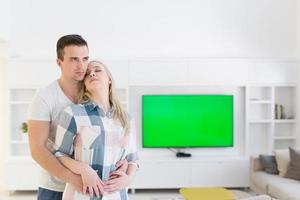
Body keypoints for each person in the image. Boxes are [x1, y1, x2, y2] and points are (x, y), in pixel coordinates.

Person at [27, 35, 127, 200]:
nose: (81, 66)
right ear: (59, 62)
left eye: (85, 58)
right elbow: (37, 150)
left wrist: (125, 167)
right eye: (74, 59)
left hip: (96, 186)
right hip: (56, 187)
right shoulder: (45, 97)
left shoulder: (93, 88)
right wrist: (77, 180)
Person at [53, 60, 139, 200]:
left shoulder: (126, 118)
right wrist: (83, 169)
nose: (92, 73)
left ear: (109, 79)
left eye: (97, 70)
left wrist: (128, 179)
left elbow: (133, 159)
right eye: (87, 74)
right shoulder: (72, 113)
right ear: (85, 85)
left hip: (117, 195)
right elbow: (59, 154)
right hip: (81, 195)